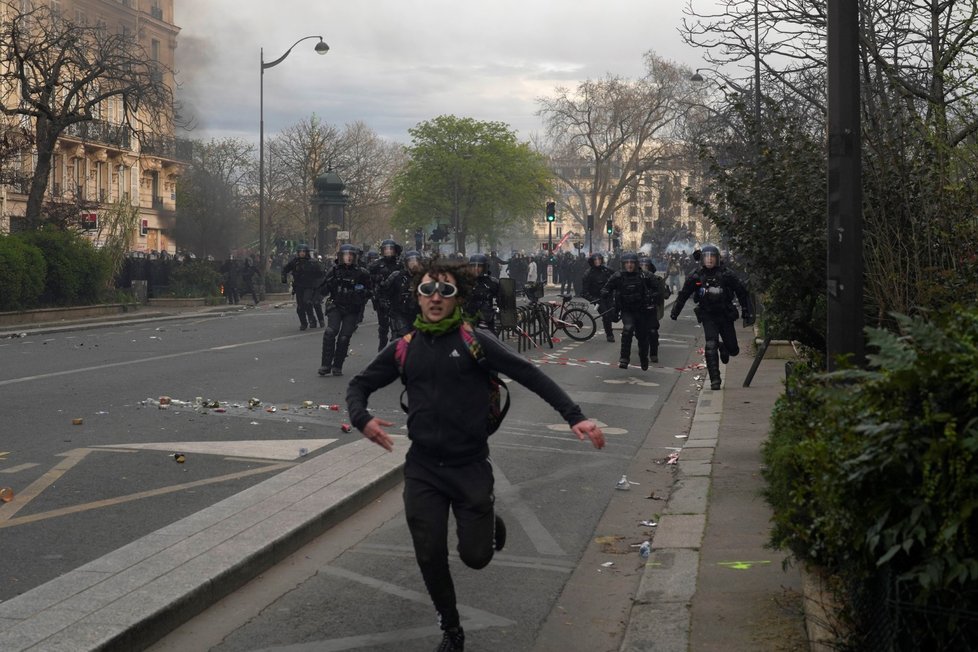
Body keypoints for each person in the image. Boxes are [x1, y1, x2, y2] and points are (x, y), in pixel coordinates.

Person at [346, 258, 605, 652]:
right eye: (427, 289)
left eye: (446, 290)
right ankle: (451, 628)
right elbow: (359, 385)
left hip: (469, 466)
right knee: (429, 550)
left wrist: (576, 417)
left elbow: (529, 374)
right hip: (423, 467)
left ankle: (489, 522)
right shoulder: (403, 347)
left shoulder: (474, 341)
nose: (436, 297)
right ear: (417, 297)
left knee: (476, 557)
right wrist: (362, 418)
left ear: (459, 298)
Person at [670, 245, 754, 390]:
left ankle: (723, 347)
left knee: (733, 350)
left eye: (712, 257)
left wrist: (746, 311)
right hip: (708, 315)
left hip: (725, 314)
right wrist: (675, 311)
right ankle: (715, 379)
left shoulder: (727, 274)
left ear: (717, 259)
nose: (709, 259)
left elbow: (741, 292)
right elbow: (683, 294)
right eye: (706, 257)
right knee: (710, 345)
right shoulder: (696, 275)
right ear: (702, 259)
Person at [317, 244, 371, 376]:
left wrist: (361, 292)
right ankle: (325, 365)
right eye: (346, 255)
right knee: (330, 332)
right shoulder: (334, 271)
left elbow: (370, 291)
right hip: (336, 305)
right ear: (341, 257)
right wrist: (330, 283)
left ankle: (337, 365)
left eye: (351, 255)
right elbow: (322, 290)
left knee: (344, 337)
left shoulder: (361, 273)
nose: (348, 258)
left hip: (352, 308)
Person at [601, 252, 660, 369]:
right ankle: (624, 358)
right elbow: (605, 289)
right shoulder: (618, 276)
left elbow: (658, 289)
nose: (629, 265)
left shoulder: (645, 275)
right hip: (627, 310)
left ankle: (644, 358)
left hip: (642, 310)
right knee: (628, 329)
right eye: (627, 263)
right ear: (623, 264)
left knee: (643, 336)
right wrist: (606, 296)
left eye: (632, 263)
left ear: (636, 264)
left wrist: (650, 297)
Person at [368, 239, 403, 350]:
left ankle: (395, 349)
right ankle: (382, 347)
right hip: (382, 299)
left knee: (396, 326)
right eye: (386, 249)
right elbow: (369, 280)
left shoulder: (400, 264)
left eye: (390, 249)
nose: (388, 252)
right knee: (383, 327)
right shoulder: (376, 265)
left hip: (396, 298)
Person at [281, 244, 324, 330]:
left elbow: (321, 274)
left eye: (303, 251)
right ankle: (303, 323)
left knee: (307, 302)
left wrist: (319, 287)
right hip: (299, 286)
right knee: (300, 307)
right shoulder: (295, 262)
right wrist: (284, 278)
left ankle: (313, 320)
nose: (302, 253)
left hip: (309, 286)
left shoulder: (312, 262)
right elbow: (285, 269)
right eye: (300, 251)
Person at [383, 250, 424, 338]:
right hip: (400, 313)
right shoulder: (397, 276)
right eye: (411, 261)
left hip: (419, 313)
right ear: (406, 263)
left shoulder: (425, 278)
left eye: (416, 261)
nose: (414, 264)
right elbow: (385, 291)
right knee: (402, 338)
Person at [582, 252, 616, 342]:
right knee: (606, 316)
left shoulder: (607, 270)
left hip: (609, 296)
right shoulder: (588, 274)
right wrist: (594, 299)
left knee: (614, 315)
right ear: (592, 261)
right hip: (598, 299)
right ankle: (609, 334)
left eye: (599, 259)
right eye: (595, 260)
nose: (597, 261)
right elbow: (583, 292)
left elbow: (616, 278)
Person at [464, 253, 500, 333]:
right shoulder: (465, 282)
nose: (476, 269)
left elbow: (502, 301)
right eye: (473, 266)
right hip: (467, 319)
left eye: (479, 266)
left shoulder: (492, 283)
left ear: (484, 267)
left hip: (486, 320)